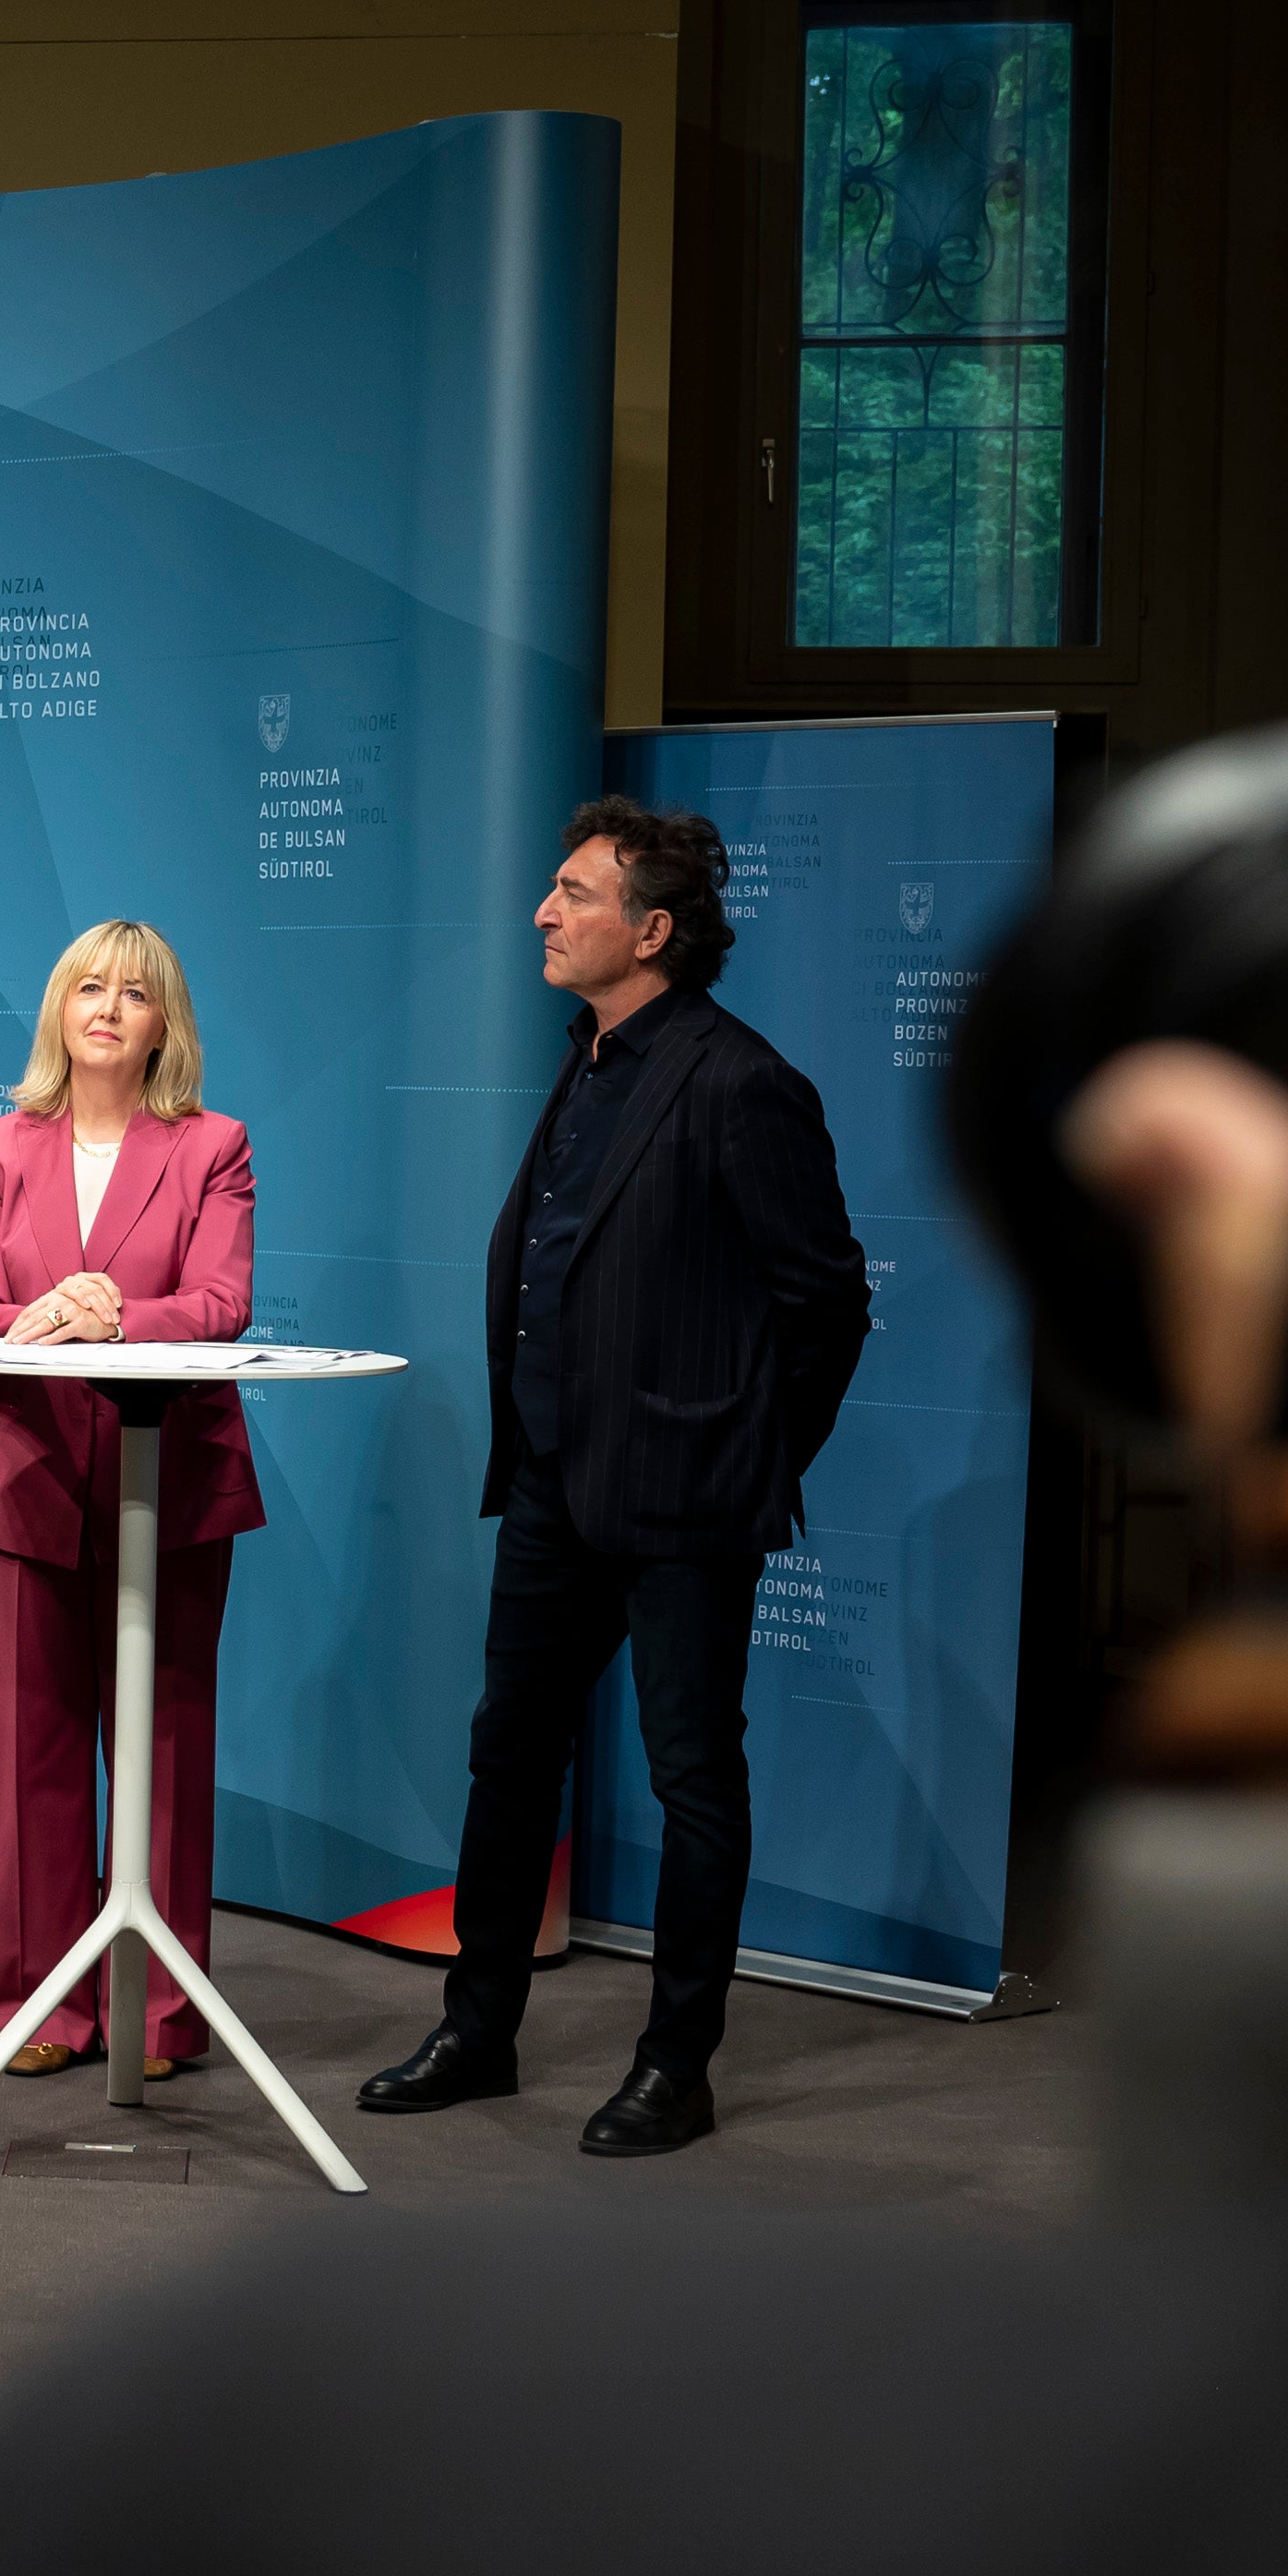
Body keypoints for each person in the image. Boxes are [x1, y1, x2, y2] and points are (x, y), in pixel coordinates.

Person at [361, 799, 865, 2158]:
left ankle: (675, 2065)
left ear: (651, 927)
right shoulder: (584, 1060)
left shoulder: (743, 1081)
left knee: (695, 1777)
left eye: (574, 892)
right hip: (548, 1488)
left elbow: (825, 1307)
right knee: (507, 1756)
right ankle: (479, 2029)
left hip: (687, 1502)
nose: (544, 910)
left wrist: (740, 1456)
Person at [0, 920, 259, 2081]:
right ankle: (31, 2012)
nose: (107, 1007)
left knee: (164, 1749)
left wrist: (114, 1311)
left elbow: (221, 1303)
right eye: (86, 988)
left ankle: (157, 2016)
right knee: (25, 1760)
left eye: (133, 992)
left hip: (169, 1475)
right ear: (57, 1011)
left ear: (165, 1021)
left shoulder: (214, 1144)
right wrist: (31, 1318)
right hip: (24, 1472)